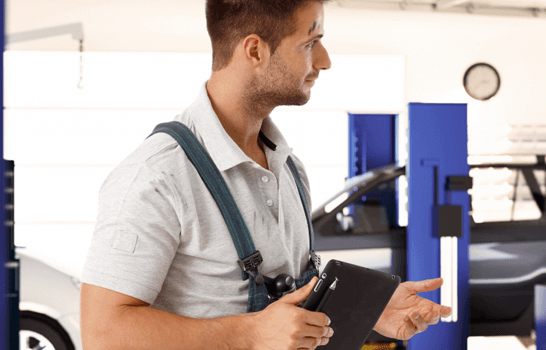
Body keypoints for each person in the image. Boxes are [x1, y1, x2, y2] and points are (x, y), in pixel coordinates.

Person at [79, 0, 451, 349]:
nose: (324, 61)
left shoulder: (289, 168)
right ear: (255, 51)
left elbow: (286, 314)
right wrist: (249, 333)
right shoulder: (157, 176)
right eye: (311, 42)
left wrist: (368, 309)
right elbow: (103, 333)